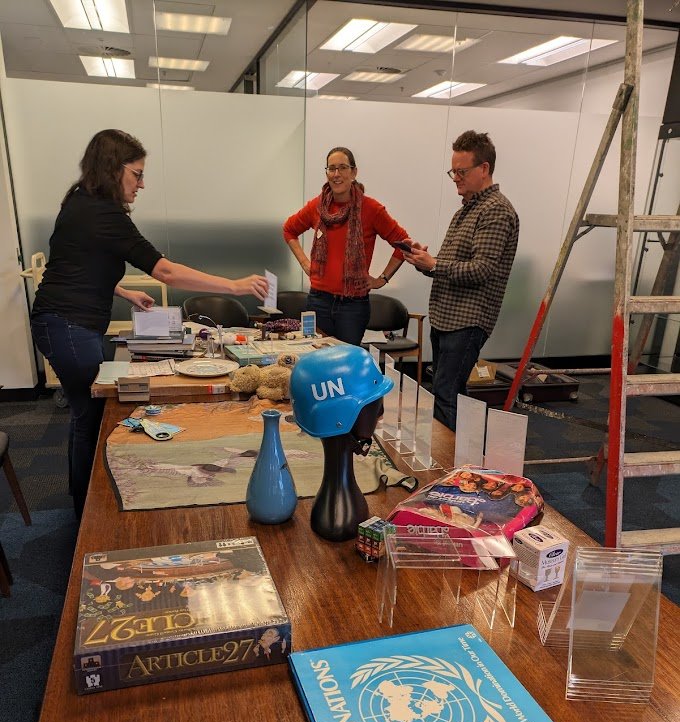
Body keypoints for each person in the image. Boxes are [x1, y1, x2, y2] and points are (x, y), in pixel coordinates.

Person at [31, 128, 268, 519]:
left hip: (60, 322)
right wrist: (234, 285)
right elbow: (165, 271)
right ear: (113, 169)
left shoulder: (79, 201)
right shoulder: (104, 212)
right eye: (137, 174)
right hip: (68, 325)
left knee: (85, 415)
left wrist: (123, 293)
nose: (142, 184)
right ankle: (89, 514)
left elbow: (78, 262)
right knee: (91, 416)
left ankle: (84, 505)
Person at [404, 131, 519, 431]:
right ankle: (466, 457)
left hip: (467, 322)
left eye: (461, 171)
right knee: (452, 392)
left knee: (445, 394)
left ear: (484, 169)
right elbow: (448, 265)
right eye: (452, 171)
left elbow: (481, 270)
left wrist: (436, 264)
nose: (455, 177)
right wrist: (423, 262)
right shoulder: (466, 210)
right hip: (447, 318)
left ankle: (450, 467)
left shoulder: (496, 211)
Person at [283, 146, 411, 346]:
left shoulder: (371, 209)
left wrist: (382, 279)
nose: (336, 174)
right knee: (319, 362)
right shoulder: (317, 207)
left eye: (342, 167)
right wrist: (305, 263)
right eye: (331, 168)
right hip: (318, 301)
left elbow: (403, 243)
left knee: (346, 364)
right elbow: (289, 230)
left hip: (353, 307)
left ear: (354, 172)